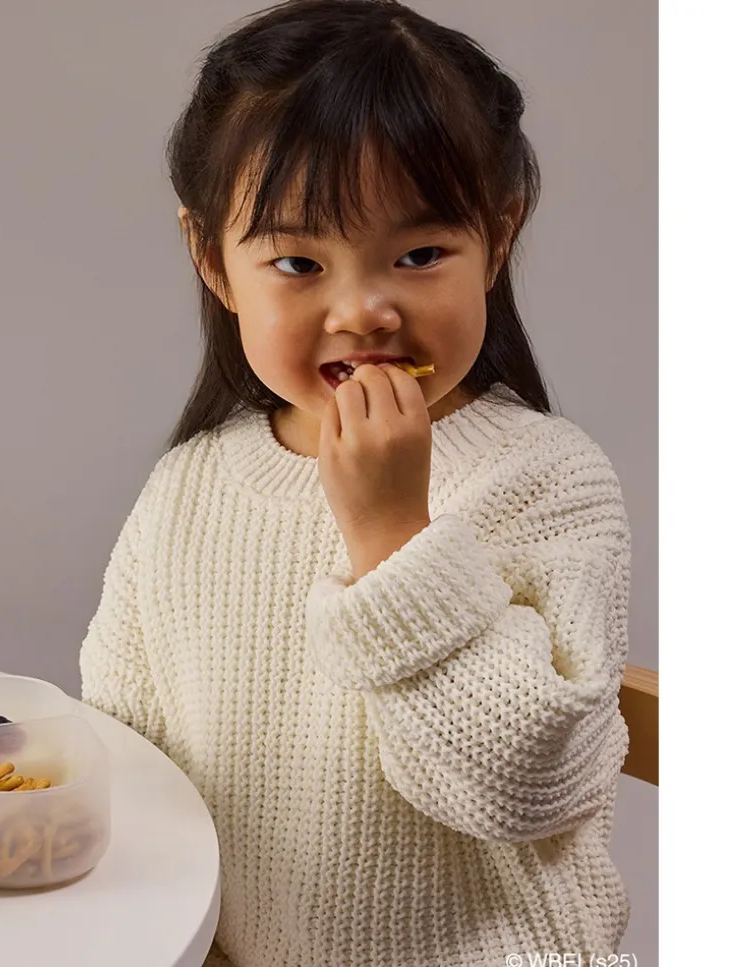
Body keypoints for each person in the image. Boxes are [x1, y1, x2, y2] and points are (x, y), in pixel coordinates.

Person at [79, 2, 632, 965]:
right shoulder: (187, 491)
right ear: (213, 261)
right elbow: (129, 766)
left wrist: (392, 538)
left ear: (499, 237)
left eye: (420, 255)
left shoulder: (546, 478)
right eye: (299, 262)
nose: (365, 309)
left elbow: (529, 785)